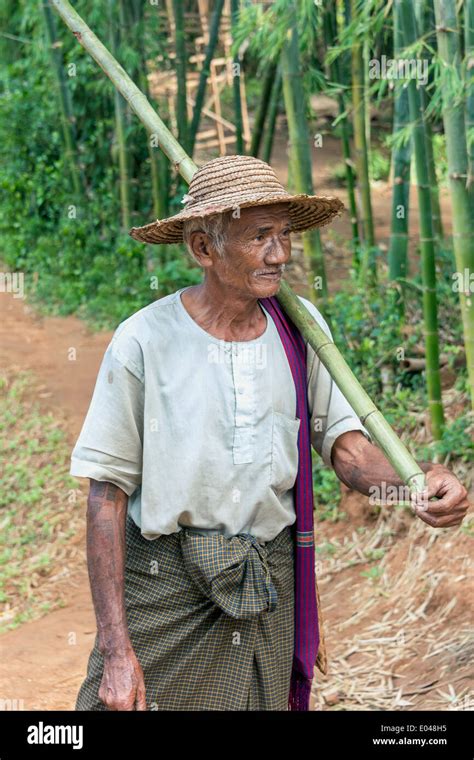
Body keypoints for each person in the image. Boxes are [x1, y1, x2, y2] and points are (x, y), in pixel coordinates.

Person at [70, 155, 469, 712]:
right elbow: (105, 497)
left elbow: (348, 451)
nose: (280, 254)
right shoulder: (144, 341)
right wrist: (115, 648)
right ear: (204, 249)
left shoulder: (300, 327)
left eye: (284, 234)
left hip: (265, 589)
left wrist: (414, 480)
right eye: (260, 237)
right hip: (166, 589)